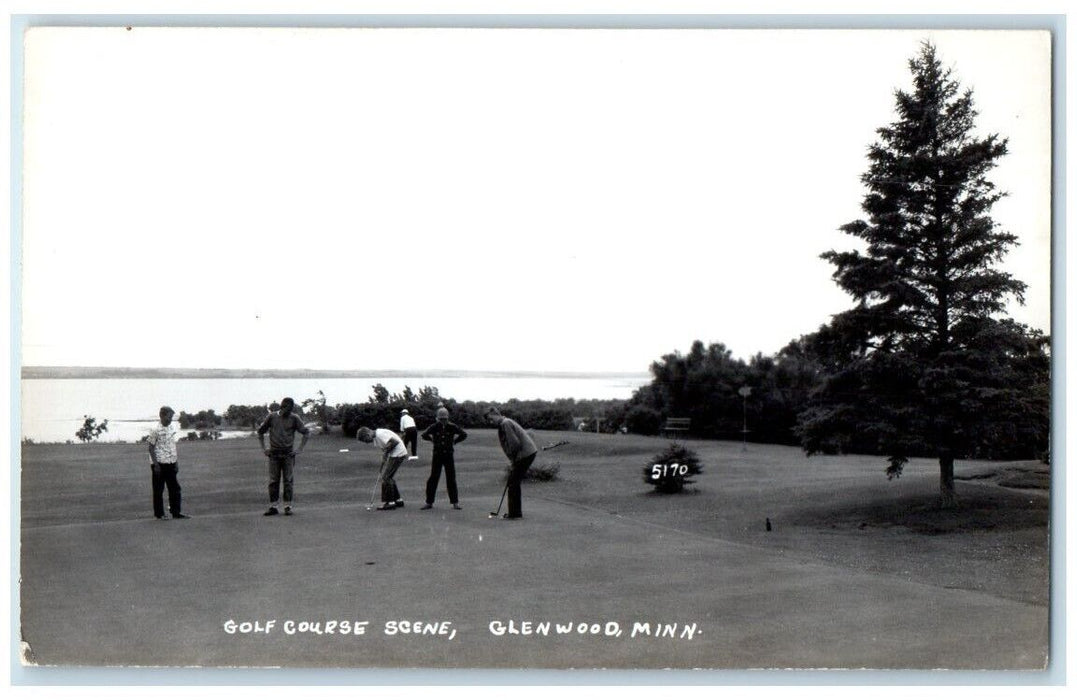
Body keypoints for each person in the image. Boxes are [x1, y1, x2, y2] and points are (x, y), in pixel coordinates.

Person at [256, 397, 310, 516]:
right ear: (282, 406)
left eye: (291, 410)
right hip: (274, 454)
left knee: (288, 481)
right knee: (273, 481)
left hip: (288, 455)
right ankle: (273, 507)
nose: (289, 412)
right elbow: (260, 431)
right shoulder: (272, 417)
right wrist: (264, 449)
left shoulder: (294, 418)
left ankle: (287, 506)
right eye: (288, 409)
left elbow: (306, 432)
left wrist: (299, 449)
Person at [484, 407, 538, 520]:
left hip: (525, 454)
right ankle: (516, 513)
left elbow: (514, 443)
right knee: (514, 482)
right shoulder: (504, 423)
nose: (490, 422)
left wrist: (514, 459)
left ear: (495, 414)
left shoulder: (505, 423)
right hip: (526, 453)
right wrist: (513, 459)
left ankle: (514, 514)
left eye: (490, 419)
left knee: (513, 483)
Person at [420, 407, 467, 510]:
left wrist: (455, 441)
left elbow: (463, 434)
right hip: (437, 454)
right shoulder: (434, 426)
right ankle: (429, 502)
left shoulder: (452, 427)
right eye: (441, 419)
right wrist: (432, 440)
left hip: (448, 454)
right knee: (433, 478)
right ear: (437, 418)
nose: (443, 421)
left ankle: (455, 502)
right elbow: (424, 435)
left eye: (444, 419)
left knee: (451, 478)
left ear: (447, 418)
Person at [147, 405, 188, 520]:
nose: (170, 419)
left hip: (171, 462)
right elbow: (150, 448)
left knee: (175, 489)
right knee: (158, 490)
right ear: (162, 416)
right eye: (169, 417)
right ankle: (159, 514)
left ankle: (176, 512)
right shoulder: (155, 430)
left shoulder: (171, 428)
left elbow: (172, 446)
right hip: (159, 464)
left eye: (171, 417)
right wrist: (155, 465)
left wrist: (176, 462)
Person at [356, 426, 409, 510]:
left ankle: (390, 503)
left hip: (398, 453)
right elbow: (386, 447)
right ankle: (398, 500)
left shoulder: (380, 434)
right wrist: (384, 456)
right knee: (389, 477)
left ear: (368, 434)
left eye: (366, 440)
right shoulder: (376, 438)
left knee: (386, 477)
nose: (367, 443)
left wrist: (385, 453)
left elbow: (394, 442)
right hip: (396, 454)